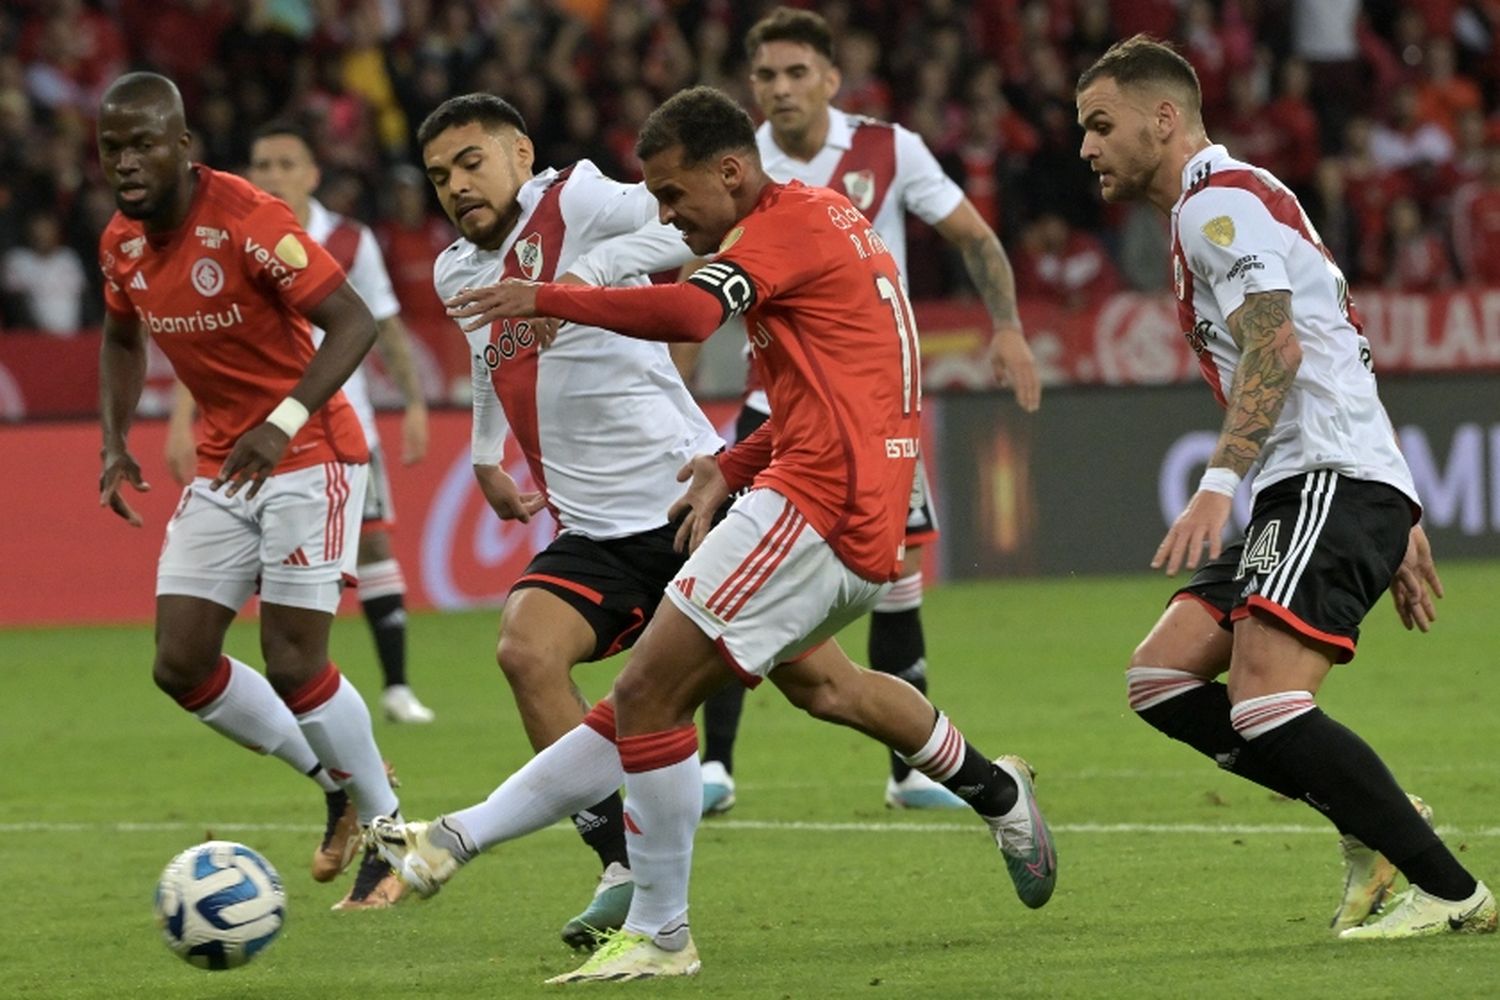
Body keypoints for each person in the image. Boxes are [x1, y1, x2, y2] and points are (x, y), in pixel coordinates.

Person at [371, 85, 1057, 983]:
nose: (661, 215)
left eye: (671, 196)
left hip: (815, 506)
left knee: (649, 698)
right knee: (794, 692)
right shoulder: (818, 223)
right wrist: (731, 465)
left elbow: (694, 314)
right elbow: (833, 386)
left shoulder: (768, 228)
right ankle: (996, 793)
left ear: (729, 173)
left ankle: (649, 924)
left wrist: (557, 291)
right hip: (792, 494)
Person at [1075, 36, 1495, 939]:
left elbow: (1280, 344)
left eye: (1101, 125)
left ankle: (1452, 894)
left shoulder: (1213, 207)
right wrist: (1403, 500)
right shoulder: (1242, 199)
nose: (1086, 148)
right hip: (1328, 477)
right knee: (1161, 676)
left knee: (1264, 700)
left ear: (1164, 118)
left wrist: (1216, 483)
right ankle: (1373, 824)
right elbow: (1337, 342)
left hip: (1322, 479)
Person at [689, 6, 1043, 816]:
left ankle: (910, 771)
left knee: (897, 576)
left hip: (873, 408)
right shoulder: (740, 167)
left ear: (830, 79)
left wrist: (1010, 327)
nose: (781, 89)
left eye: (796, 73)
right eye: (767, 77)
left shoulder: (889, 148)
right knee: (721, 570)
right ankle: (718, 766)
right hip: (768, 404)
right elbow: (691, 286)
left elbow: (975, 236)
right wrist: (682, 402)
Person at [412, 93, 727, 949]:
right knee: (526, 650)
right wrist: (484, 452)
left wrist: (583, 278)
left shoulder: (579, 198)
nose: (456, 186)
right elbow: (489, 351)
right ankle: (620, 870)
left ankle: (985, 785)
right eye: (440, 175)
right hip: (591, 526)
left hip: (684, 498)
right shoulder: (455, 271)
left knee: (828, 688)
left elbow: (694, 229)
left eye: (472, 162)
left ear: (521, 151)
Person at [94, 71, 405, 910]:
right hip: (230, 461)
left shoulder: (249, 220)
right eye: (111, 147)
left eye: (144, 143)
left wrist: (285, 416)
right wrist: (115, 438)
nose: (126, 162)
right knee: (180, 662)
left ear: (183, 145)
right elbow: (122, 339)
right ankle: (335, 782)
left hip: (311, 452)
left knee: (295, 660)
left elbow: (354, 320)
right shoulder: (120, 242)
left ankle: (391, 836)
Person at [164, 120, 436, 725]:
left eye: (288, 163)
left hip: (342, 427)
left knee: (372, 544)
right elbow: (207, 339)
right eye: (263, 164)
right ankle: (304, 692)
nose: (274, 175)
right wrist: (183, 419)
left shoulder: (347, 239)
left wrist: (414, 403)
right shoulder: (228, 235)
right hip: (250, 430)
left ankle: (396, 685)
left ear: (313, 174)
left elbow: (381, 324)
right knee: (270, 562)